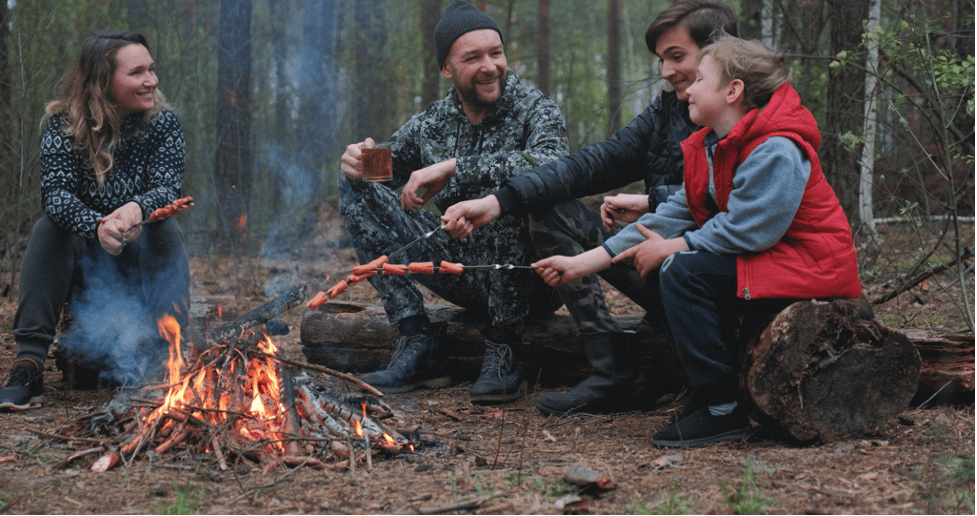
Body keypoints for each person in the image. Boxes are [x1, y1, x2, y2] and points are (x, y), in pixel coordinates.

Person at [535, 36, 862, 447]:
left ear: (733, 90)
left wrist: (674, 247)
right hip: (776, 261)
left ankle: (721, 409)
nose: (688, 89)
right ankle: (710, 391)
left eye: (700, 79)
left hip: (814, 268)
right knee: (672, 266)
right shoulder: (716, 146)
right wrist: (580, 264)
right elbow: (671, 216)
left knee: (681, 269)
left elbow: (750, 229)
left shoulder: (776, 147)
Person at [441, 0, 738, 416]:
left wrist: (653, 200)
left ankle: (715, 392)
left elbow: (734, 205)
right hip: (657, 262)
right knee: (549, 208)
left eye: (677, 56)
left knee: (681, 265)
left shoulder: (753, 118)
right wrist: (498, 202)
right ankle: (614, 371)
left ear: (717, 55)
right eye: (661, 60)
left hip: (717, 281)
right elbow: (592, 164)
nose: (666, 71)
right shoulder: (667, 111)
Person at [338, 0, 568, 404]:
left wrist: (456, 168)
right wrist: (359, 160)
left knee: (508, 195)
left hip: (534, 279)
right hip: (461, 269)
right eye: (473, 57)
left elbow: (555, 163)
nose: (490, 66)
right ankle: (417, 338)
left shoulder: (534, 107)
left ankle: (504, 347)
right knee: (356, 188)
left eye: (496, 53)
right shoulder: (434, 121)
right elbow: (383, 169)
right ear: (447, 68)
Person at [0, 31, 190, 412]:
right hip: (84, 267)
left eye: (151, 70)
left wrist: (136, 209)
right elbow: (55, 195)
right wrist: (97, 225)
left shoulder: (164, 124)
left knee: (165, 227)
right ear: (103, 81)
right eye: (137, 73)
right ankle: (28, 365)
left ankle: (170, 355)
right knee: (48, 227)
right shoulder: (63, 124)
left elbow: (168, 188)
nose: (151, 81)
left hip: (139, 266)